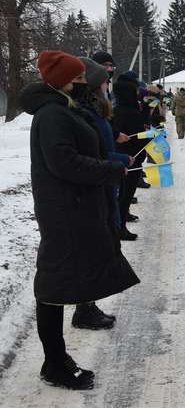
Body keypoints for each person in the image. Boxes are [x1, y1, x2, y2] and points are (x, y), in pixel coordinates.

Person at [22, 51, 140, 390]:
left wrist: (112, 163)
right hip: (63, 212)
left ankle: (58, 356)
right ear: (62, 81)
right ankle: (55, 363)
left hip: (73, 208)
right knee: (53, 285)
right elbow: (65, 163)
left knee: (63, 280)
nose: (81, 84)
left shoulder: (63, 108)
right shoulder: (52, 115)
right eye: (76, 79)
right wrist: (108, 170)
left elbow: (81, 153)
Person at [74, 57, 133, 329]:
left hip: (103, 182)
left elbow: (101, 149)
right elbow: (91, 154)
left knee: (96, 250)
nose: (108, 85)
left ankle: (87, 306)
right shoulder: (85, 114)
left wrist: (117, 158)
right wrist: (117, 161)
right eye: (104, 81)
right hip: (93, 188)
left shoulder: (96, 111)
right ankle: (83, 310)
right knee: (90, 252)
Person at [113, 74, 148, 240]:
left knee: (120, 193)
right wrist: (151, 135)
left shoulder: (114, 110)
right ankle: (120, 228)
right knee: (125, 195)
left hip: (118, 157)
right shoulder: (132, 113)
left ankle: (119, 222)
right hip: (132, 159)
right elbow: (140, 137)